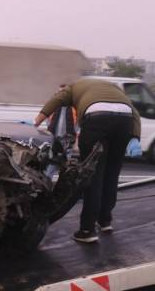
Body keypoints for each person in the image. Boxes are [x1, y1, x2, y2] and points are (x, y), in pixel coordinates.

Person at [34, 78, 142, 243]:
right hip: (125, 119)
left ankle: (87, 230)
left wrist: (36, 122)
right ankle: (105, 221)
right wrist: (135, 137)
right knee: (112, 173)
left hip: (96, 119)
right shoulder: (115, 90)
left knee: (92, 174)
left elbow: (56, 100)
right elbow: (134, 113)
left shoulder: (74, 87)